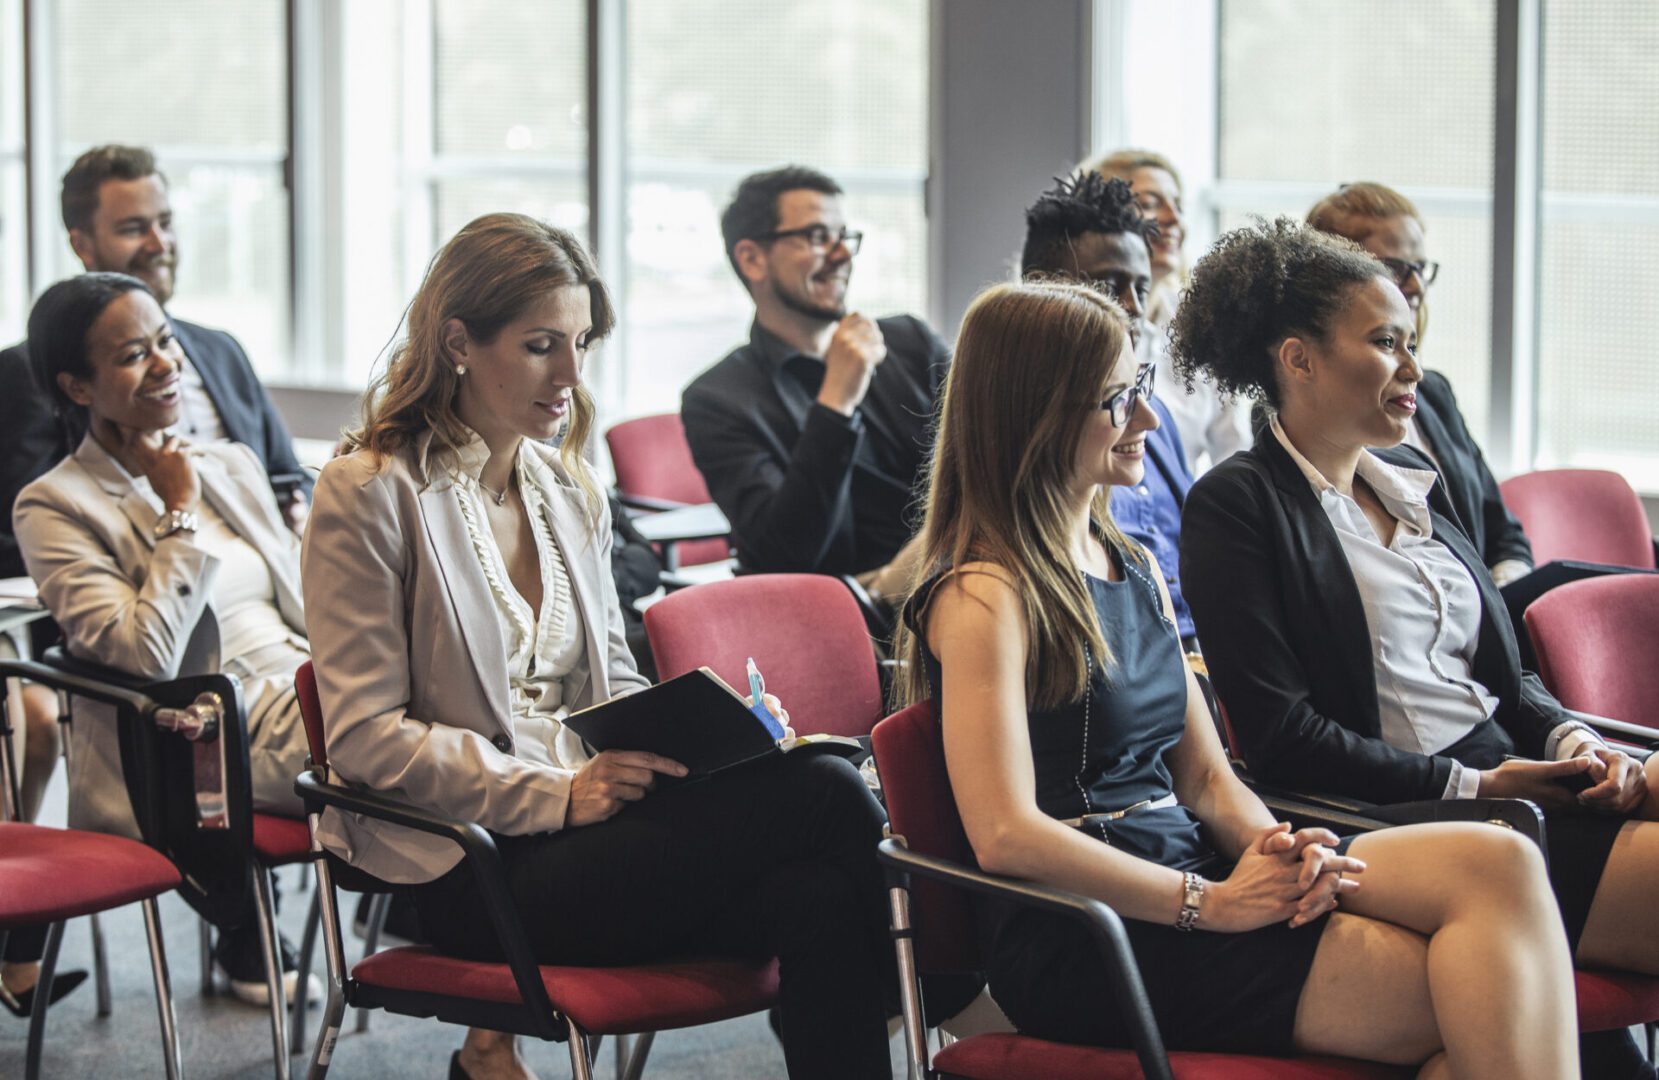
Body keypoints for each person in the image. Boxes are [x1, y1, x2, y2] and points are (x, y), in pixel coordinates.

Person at [892, 277, 1576, 1078]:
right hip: (1086, 928)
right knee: (1481, 1003)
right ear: (1035, 418)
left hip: (1189, 872)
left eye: (1141, 388)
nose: (1147, 419)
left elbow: (1211, 782)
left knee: (1501, 864)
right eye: (1118, 399)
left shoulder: (1135, 563)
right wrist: (1208, 905)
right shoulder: (983, 593)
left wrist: (1277, 849)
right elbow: (1005, 836)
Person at [302, 213, 895, 1080]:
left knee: (819, 896)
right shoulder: (368, 492)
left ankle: (928, 982)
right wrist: (557, 792)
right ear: (458, 342)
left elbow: (613, 686)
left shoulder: (567, 486)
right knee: (825, 793)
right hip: (472, 861)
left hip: (596, 835)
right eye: (543, 345)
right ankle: (949, 984)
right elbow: (362, 737)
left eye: (580, 343)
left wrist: (711, 738)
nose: (572, 376)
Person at [1173, 219, 1659, 1078]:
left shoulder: (1405, 490)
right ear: (1299, 359)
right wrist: (1480, 782)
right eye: (1385, 342)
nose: (1413, 368)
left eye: (1411, 343)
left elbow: (1504, 681)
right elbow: (1283, 735)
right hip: (1421, 816)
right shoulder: (1237, 506)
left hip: (1517, 777)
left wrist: (1574, 742)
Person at [12, 272, 317, 1005]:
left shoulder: (228, 464)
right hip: (202, 732)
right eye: (132, 355)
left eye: (166, 342)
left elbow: (308, 607)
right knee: (429, 744)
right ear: (78, 388)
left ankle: (460, 955)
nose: (166, 364)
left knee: (461, 711)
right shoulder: (54, 505)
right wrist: (177, 517)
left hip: (304, 683)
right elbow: (143, 653)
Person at [681, 165, 948, 587]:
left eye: (844, 237)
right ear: (752, 259)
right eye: (819, 237)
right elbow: (785, 553)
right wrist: (836, 405)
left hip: (958, 576)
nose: (842, 254)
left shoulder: (910, 342)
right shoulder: (717, 399)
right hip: (845, 612)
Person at [1307, 182, 1532, 586]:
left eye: (1421, 269)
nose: (1416, 287)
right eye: (1396, 268)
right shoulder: (1305, 413)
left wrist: (1507, 587)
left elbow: (1502, 529)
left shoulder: (1433, 393)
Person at [1020, 172, 1200, 653]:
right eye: (1108, 285)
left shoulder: (1151, 418)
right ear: (1043, 291)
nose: (1132, 308)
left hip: (1197, 661)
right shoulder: (1024, 432)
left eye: (1141, 287)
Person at [1085, 149, 1251, 472]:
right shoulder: (1077, 325)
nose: (1174, 220)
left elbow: (1234, 450)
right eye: (1149, 204)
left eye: (1178, 206)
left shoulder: (1205, 323)